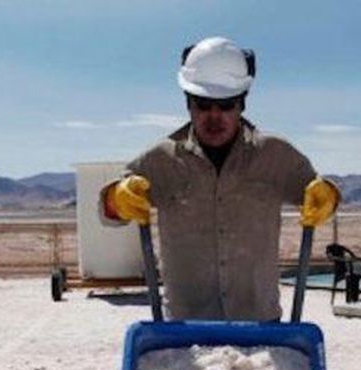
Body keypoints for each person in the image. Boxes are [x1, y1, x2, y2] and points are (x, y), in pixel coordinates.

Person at [99, 36, 340, 321]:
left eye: (226, 105)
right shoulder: (161, 159)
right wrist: (117, 199)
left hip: (260, 326)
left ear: (242, 104)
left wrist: (329, 197)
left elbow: (321, 194)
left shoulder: (277, 155)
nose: (215, 117)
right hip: (184, 330)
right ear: (188, 103)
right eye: (203, 105)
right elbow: (108, 213)